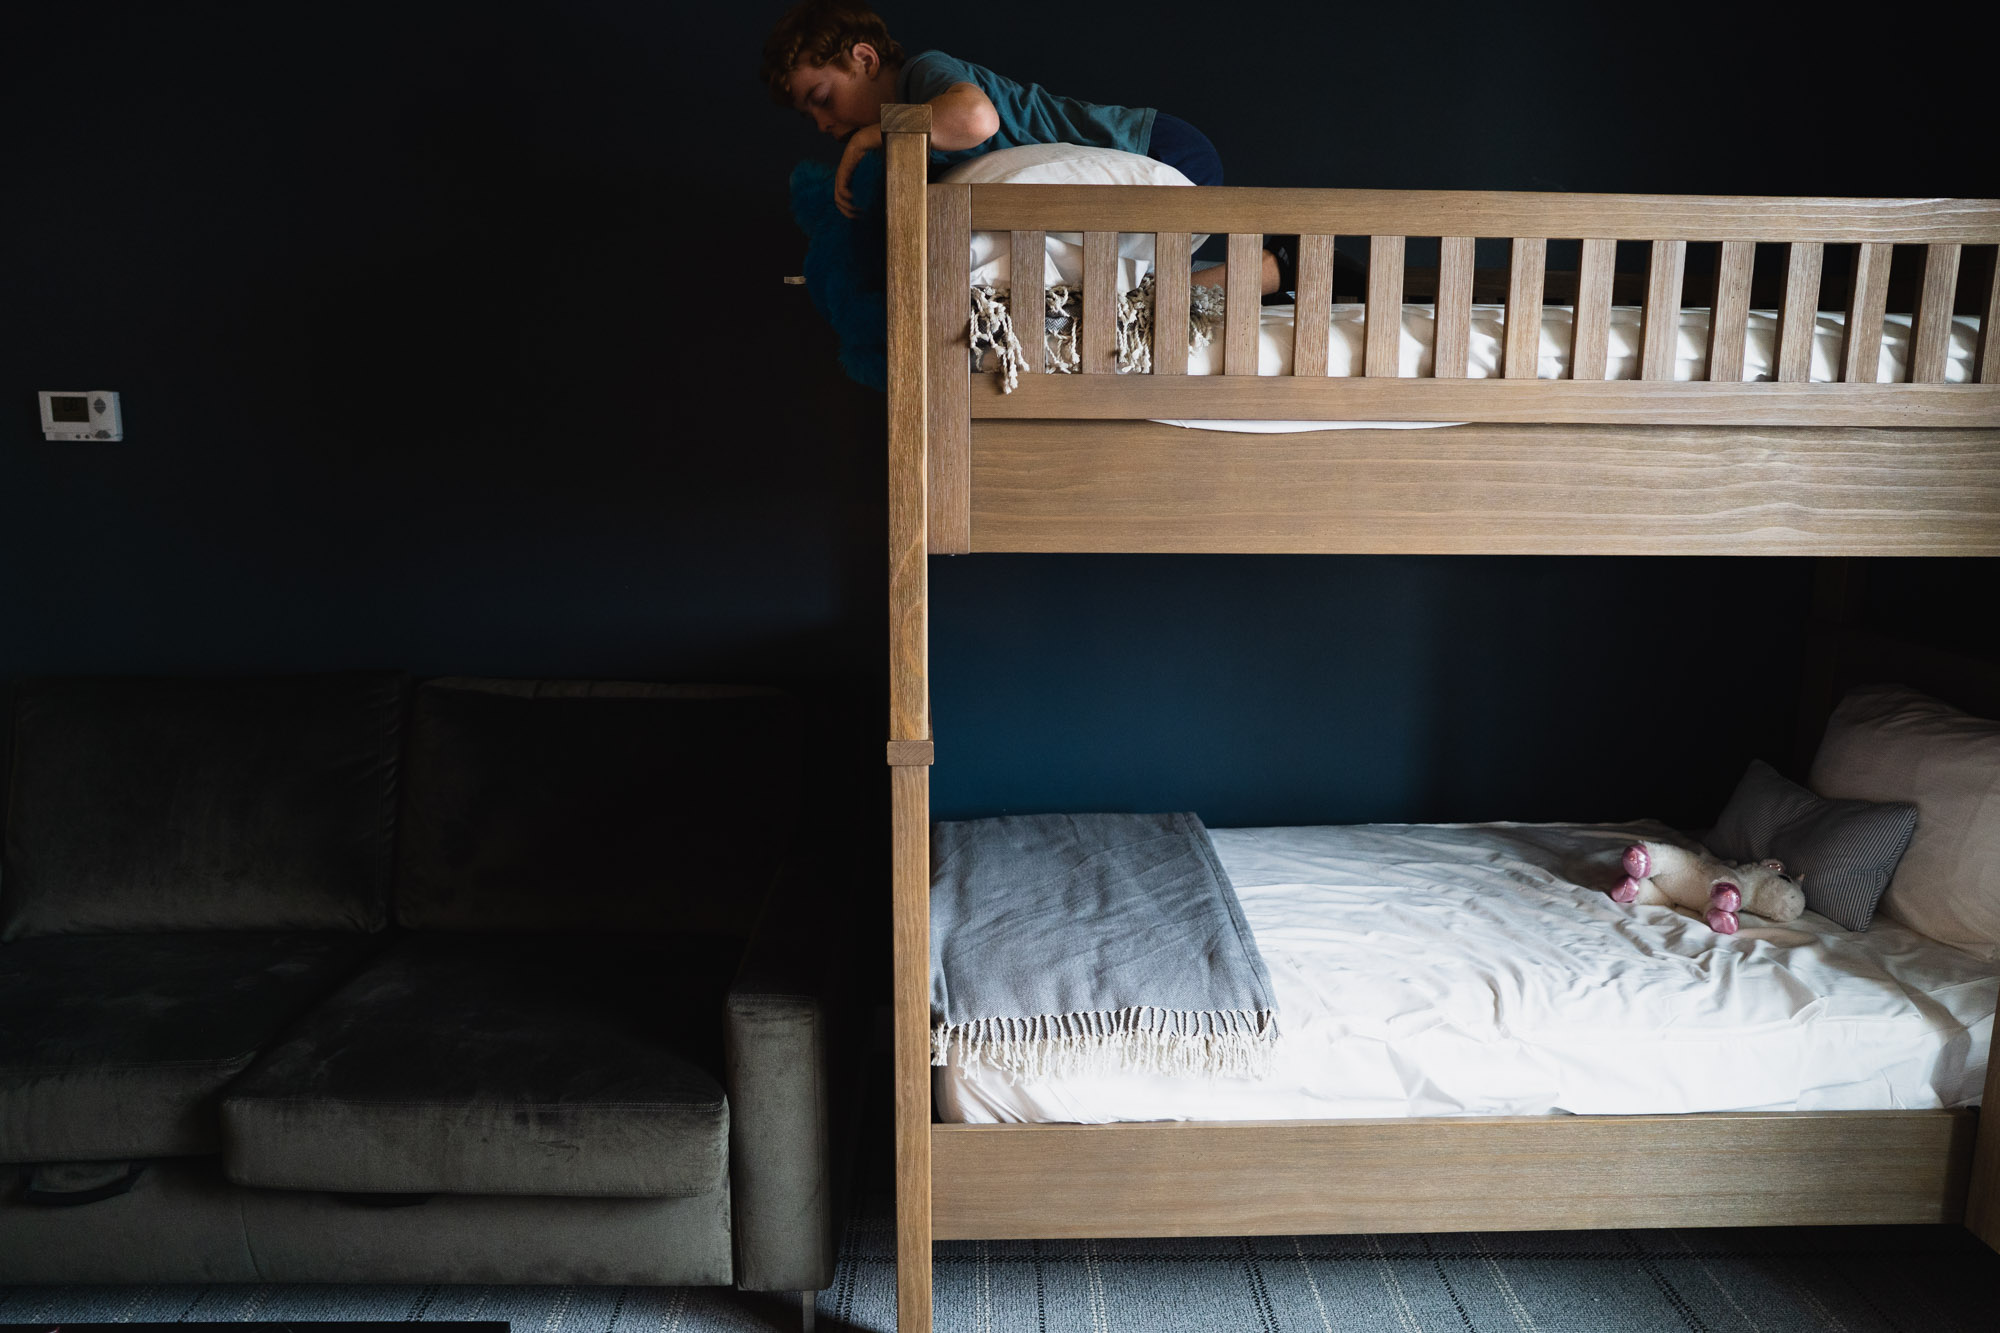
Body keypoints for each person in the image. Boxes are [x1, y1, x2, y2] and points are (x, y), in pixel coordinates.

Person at [760, 1, 1282, 295]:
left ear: (865, 59)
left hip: (1158, 147)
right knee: (1128, 290)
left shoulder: (924, 76)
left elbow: (978, 119)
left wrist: (879, 130)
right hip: (1167, 160)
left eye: (823, 99)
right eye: (812, 116)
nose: (826, 124)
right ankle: (1272, 269)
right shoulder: (910, 144)